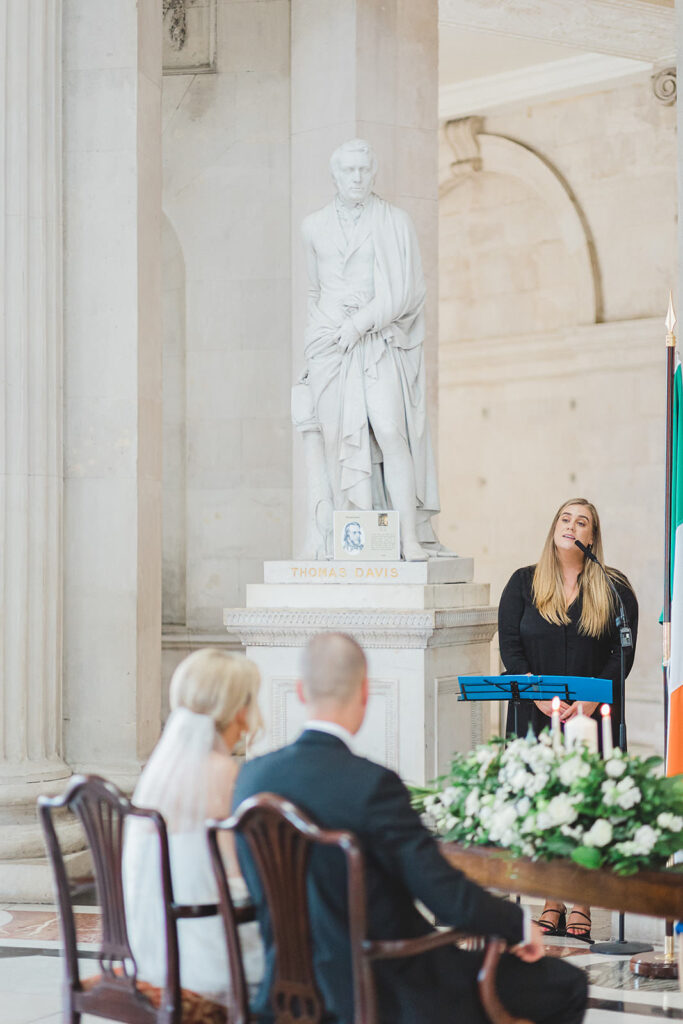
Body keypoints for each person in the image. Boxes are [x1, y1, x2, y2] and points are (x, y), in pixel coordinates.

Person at [233, 633, 588, 1024]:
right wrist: (518, 925)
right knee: (566, 983)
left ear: (301, 691)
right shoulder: (372, 785)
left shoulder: (252, 780)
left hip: (283, 994)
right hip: (389, 989)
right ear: (365, 694)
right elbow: (444, 897)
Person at [293, 139, 441, 561]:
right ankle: (345, 538)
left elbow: (409, 288)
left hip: (376, 340)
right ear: (335, 175)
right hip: (329, 345)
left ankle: (408, 538)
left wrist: (359, 324)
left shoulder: (395, 221)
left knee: (391, 431)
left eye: (363, 170)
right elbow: (313, 290)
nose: (357, 177)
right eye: (349, 171)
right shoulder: (313, 226)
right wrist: (313, 349)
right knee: (338, 439)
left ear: (373, 173)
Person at [498, 497, 638, 943]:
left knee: (585, 806)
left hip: (591, 716)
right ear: (554, 527)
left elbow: (622, 651)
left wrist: (595, 702)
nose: (572, 526)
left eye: (582, 522)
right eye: (565, 518)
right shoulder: (523, 583)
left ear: (592, 537)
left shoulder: (613, 588)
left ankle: (581, 901)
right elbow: (510, 646)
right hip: (535, 715)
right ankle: (550, 899)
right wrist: (537, 695)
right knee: (543, 806)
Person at [123, 649, 264, 1004]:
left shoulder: (159, 772)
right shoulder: (224, 773)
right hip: (210, 954)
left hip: (154, 948)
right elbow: (235, 876)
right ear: (240, 710)